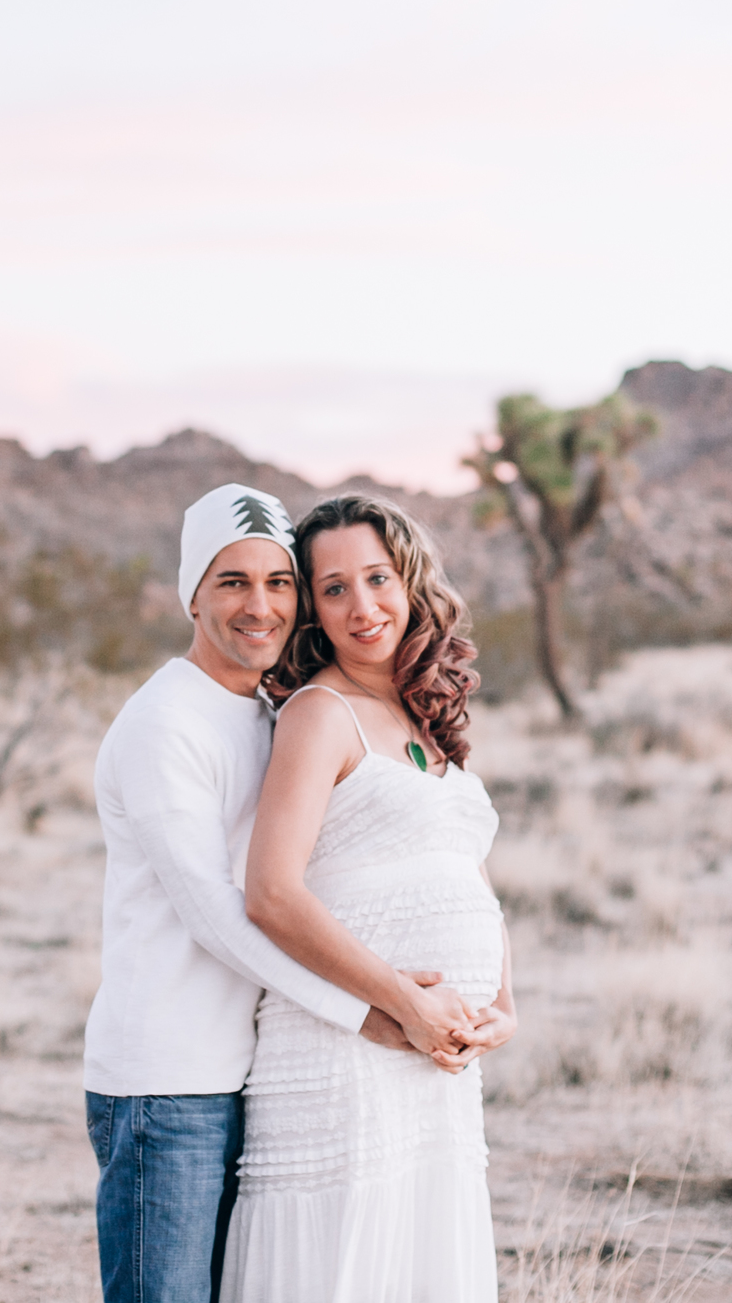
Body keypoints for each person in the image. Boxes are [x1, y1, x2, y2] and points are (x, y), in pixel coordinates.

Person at [85, 484, 480, 1303]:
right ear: (192, 592)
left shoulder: (261, 712)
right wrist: (377, 1008)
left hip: (250, 1064)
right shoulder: (167, 723)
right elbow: (225, 913)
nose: (258, 604)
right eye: (232, 581)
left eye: (278, 582)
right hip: (169, 1079)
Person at [221, 492, 516, 1303]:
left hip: (437, 1057)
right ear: (312, 607)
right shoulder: (320, 712)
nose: (363, 606)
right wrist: (402, 1004)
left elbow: (467, 873)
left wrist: (502, 1005)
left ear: (410, 579)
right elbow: (271, 892)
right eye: (335, 587)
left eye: (378, 577)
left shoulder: (424, 713)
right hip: (346, 1050)